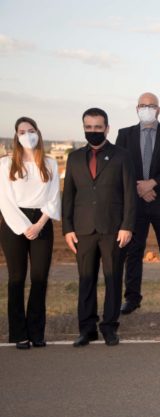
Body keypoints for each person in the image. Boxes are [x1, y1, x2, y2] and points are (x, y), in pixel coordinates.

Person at [62, 108, 136, 347]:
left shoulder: (122, 155)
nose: (93, 131)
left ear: (107, 128)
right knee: (86, 280)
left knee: (113, 279)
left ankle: (109, 327)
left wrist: (127, 226)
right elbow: (68, 196)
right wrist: (67, 228)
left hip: (113, 229)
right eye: (89, 127)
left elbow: (129, 194)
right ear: (84, 127)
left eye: (98, 126)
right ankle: (87, 329)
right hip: (83, 230)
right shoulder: (74, 158)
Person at [116, 92, 160, 315]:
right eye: (143, 106)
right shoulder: (124, 135)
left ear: (159, 110)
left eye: (151, 105)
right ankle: (132, 298)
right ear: (137, 109)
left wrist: (153, 183)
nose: (147, 109)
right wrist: (140, 188)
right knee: (133, 251)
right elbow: (120, 168)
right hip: (134, 203)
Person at [0, 117, 60, 349]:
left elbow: (54, 197)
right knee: (16, 279)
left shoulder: (50, 163)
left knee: (39, 279)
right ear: (16, 136)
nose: (27, 135)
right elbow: (4, 200)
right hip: (14, 222)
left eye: (31, 130)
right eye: (22, 131)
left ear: (38, 133)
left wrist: (39, 224)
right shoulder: (6, 164)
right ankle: (18, 333)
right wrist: (24, 226)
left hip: (41, 221)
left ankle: (36, 332)